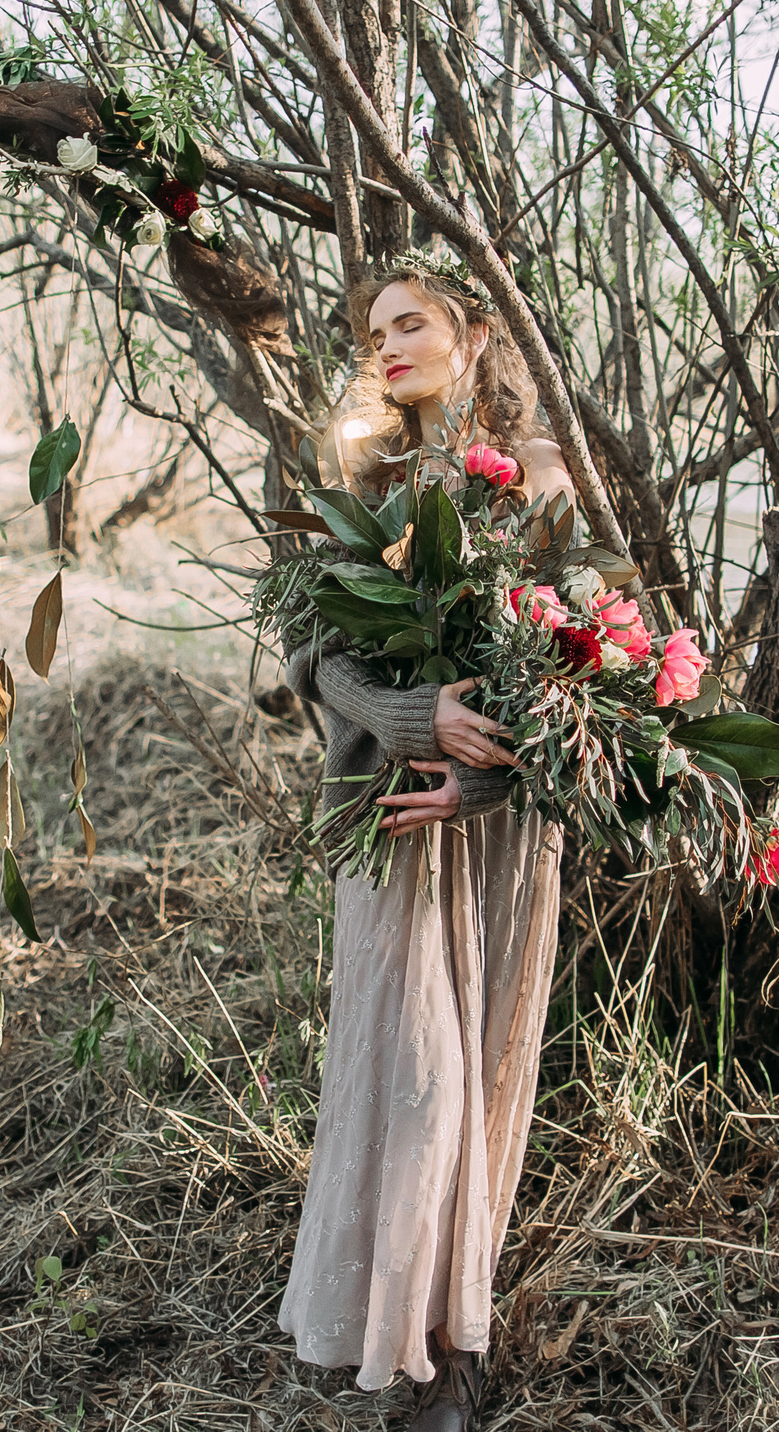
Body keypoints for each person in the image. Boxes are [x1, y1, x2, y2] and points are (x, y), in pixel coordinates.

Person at [276, 254, 574, 1432]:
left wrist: (482, 783)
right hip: (391, 820)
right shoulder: (362, 473)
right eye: (373, 330)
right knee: (413, 1079)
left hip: (494, 832)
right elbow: (307, 651)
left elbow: (579, 667)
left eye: (409, 324)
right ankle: (390, 1334)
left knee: (473, 1083)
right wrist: (415, 721)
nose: (387, 346)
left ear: (474, 331)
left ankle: (453, 1352)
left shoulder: (540, 479)